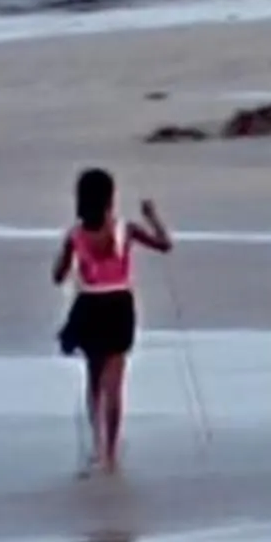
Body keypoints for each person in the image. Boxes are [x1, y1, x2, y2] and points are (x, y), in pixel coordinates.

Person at [53, 169, 173, 473]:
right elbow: (164, 244)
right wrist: (152, 215)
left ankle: (97, 444)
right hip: (118, 304)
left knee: (94, 378)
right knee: (115, 384)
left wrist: (71, 258)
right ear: (110, 199)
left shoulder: (76, 235)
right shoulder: (125, 230)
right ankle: (110, 452)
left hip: (89, 304)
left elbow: (57, 276)